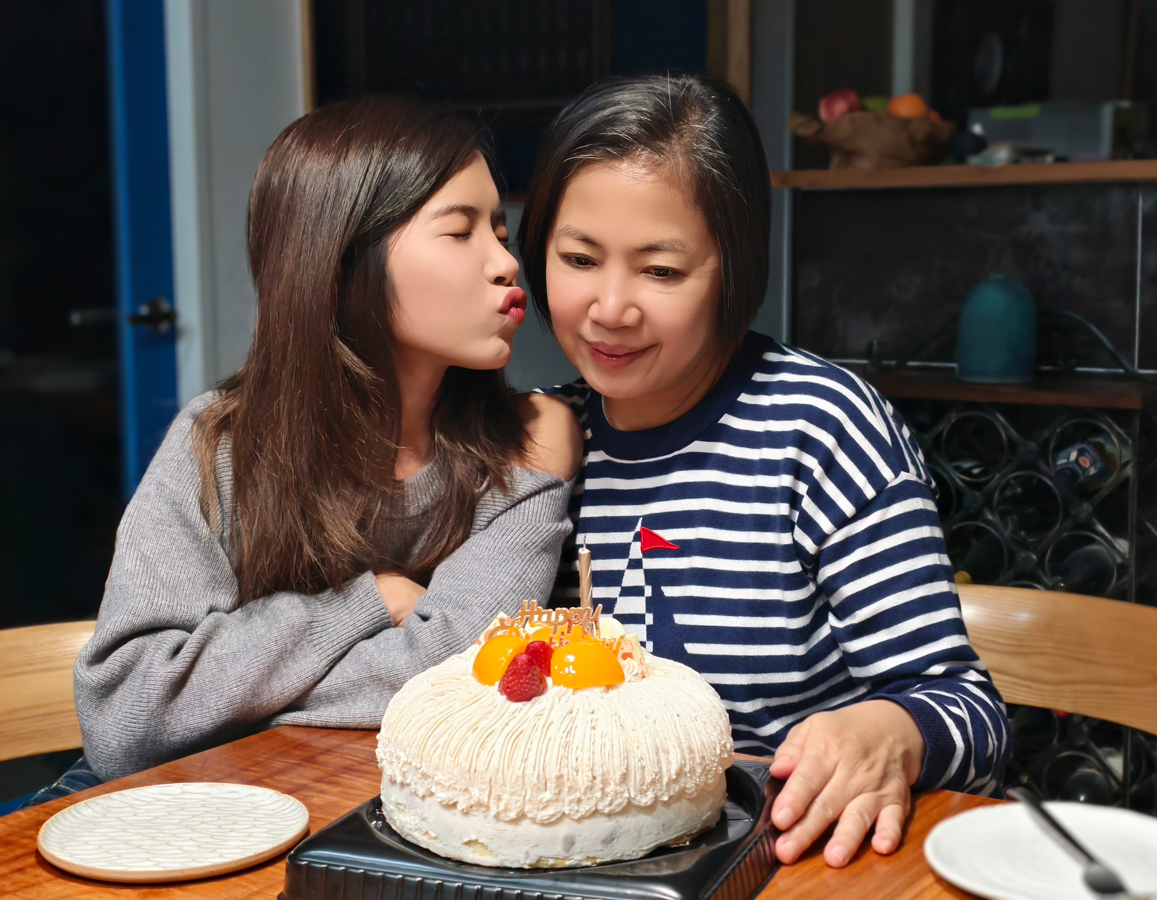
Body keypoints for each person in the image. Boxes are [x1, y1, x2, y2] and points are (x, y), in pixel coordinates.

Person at [518, 74, 1010, 868]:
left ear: (735, 268)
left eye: (661, 271)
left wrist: (892, 729)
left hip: (789, 863)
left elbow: (970, 716)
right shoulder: (540, 438)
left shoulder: (820, 428)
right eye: (578, 258)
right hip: (577, 864)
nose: (609, 307)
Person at [69, 96, 581, 787]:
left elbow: (471, 672)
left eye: (498, 229)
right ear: (340, 266)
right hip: (175, 804)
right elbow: (128, 719)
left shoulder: (527, 443)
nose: (505, 263)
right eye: (460, 233)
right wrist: (368, 601)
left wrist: (228, 700)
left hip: (362, 800)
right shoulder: (219, 442)